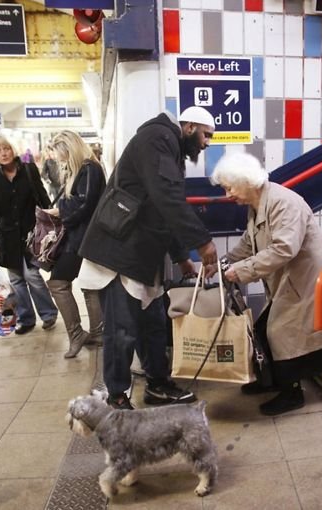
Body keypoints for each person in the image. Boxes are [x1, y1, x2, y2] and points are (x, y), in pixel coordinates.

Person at [78, 106, 219, 410]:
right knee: (122, 331)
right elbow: (166, 197)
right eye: (207, 135)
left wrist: (182, 257)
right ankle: (116, 397)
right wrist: (203, 242)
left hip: (141, 255)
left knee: (153, 325)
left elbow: (162, 208)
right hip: (119, 253)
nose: (208, 142)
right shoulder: (157, 138)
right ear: (190, 125)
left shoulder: (170, 148)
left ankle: (157, 385)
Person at [211, 152, 322, 416]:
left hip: (310, 280)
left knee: (281, 332)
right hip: (292, 281)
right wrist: (224, 261)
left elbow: (284, 249)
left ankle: (292, 394)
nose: (227, 194)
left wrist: (242, 270)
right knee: (263, 328)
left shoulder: (284, 202)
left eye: (229, 187)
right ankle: (270, 381)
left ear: (246, 181)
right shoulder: (257, 204)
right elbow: (250, 242)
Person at [0, 134, 58, 335]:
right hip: (6, 236)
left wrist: (52, 220)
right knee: (16, 279)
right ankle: (26, 319)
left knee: (32, 274)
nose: (3, 153)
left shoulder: (29, 169)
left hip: (31, 232)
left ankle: (48, 314)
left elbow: (41, 196)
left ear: (13, 149)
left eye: (6, 148)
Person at [45, 131, 106, 358]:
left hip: (83, 238)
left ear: (69, 148)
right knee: (90, 286)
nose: (56, 155)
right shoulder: (82, 169)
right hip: (83, 236)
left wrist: (59, 212)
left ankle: (79, 334)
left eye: (58, 150)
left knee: (59, 283)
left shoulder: (89, 168)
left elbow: (85, 204)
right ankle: (97, 333)